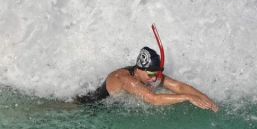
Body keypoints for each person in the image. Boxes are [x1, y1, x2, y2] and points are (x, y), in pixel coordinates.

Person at [74, 24, 219, 112]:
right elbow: (153, 99)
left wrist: (206, 99)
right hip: (92, 106)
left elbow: (179, 87)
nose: (155, 78)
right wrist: (188, 97)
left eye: (158, 73)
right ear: (140, 69)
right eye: (151, 74)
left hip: (113, 106)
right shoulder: (126, 79)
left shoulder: (151, 74)